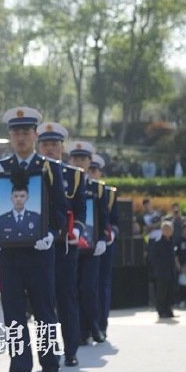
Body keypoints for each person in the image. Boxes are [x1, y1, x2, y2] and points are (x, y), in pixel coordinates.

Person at [0, 107, 67, 372]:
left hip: (41, 254)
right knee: (14, 316)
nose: (20, 137)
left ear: (35, 135)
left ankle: (50, 367)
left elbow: (60, 213)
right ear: (10, 135)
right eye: (15, 132)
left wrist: (53, 235)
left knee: (45, 312)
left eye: (25, 132)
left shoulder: (50, 169)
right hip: (9, 255)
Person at [37, 121, 86, 367]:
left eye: (54, 144)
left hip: (64, 245)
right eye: (45, 144)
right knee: (43, 301)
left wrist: (76, 229)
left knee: (66, 298)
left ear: (61, 147)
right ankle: (49, 353)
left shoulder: (74, 176)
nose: (50, 149)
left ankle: (71, 349)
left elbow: (80, 210)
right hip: (36, 245)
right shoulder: (31, 171)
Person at [68, 142, 109, 345]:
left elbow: (103, 218)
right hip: (71, 245)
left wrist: (102, 238)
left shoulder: (97, 189)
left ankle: (95, 325)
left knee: (89, 288)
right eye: (75, 159)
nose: (79, 162)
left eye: (83, 159)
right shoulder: (66, 183)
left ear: (89, 162)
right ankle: (79, 332)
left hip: (92, 248)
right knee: (72, 289)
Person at [88, 154, 118, 339]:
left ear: (100, 172)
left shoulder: (108, 193)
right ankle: (86, 325)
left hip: (104, 243)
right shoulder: (77, 188)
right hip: (83, 244)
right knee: (84, 286)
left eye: (94, 170)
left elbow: (114, 221)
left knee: (102, 284)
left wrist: (111, 234)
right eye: (88, 169)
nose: (91, 174)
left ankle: (101, 325)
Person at [149, 221, 180, 318]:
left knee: (170, 292)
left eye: (170, 229)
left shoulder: (172, 242)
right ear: (162, 230)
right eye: (166, 229)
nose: (169, 231)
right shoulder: (157, 242)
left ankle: (169, 309)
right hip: (161, 272)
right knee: (161, 293)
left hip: (171, 271)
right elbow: (152, 258)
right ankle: (161, 311)